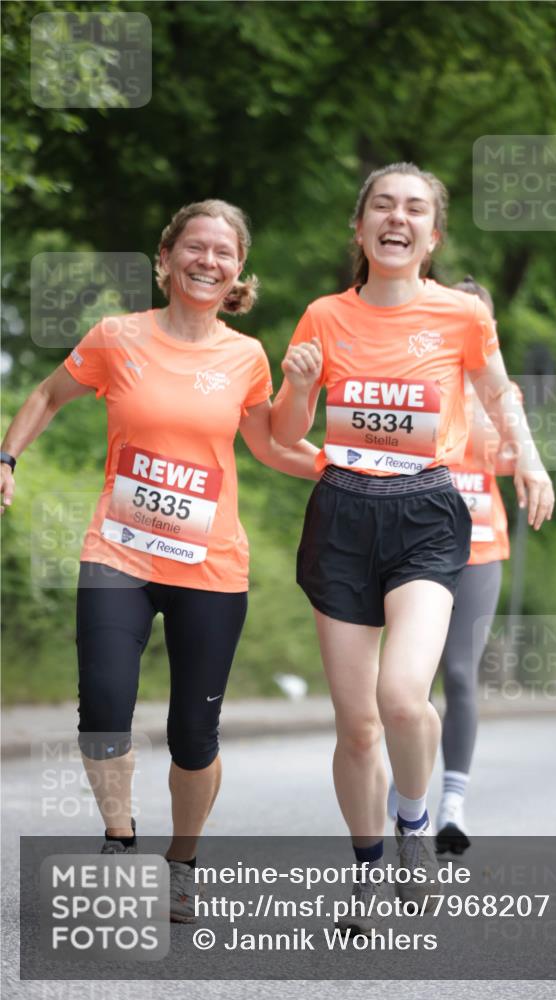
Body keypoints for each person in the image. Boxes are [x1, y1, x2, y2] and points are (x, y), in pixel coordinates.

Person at [0, 199, 318, 922]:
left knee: (192, 735)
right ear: (167, 257)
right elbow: (50, 394)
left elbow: (268, 445)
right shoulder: (118, 337)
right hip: (119, 552)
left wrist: (343, 467)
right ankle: (120, 840)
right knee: (105, 707)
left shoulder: (245, 356)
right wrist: (6, 455)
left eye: (224, 253)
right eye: (195, 248)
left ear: (238, 271)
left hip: (210, 566)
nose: (208, 262)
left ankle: (183, 861)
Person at [270, 163, 554, 935]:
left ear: (433, 234)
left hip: (427, 513)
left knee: (403, 696)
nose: (397, 218)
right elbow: (288, 431)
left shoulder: (460, 315)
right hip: (341, 514)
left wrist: (526, 457)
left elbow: (498, 393)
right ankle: (365, 870)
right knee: (357, 723)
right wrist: (298, 385)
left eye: (415, 209)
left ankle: (414, 819)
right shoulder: (323, 315)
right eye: (383, 206)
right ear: (359, 228)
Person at [387, 276, 520, 856]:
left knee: (460, 675)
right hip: (416, 546)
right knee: (408, 681)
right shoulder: (417, 381)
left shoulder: (498, 392)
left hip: (479, 548)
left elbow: (516, 458)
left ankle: (453, 805)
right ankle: (404, 790)